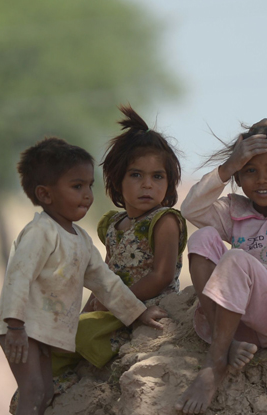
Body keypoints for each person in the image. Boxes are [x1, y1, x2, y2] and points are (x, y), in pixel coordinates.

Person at [0, 137, 167, 415]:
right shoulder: (40, 233)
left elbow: (105, 281)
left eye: (89, 185)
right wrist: (14, 325)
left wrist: (137, 313)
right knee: (32, 390)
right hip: (23, 328)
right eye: (77, 186)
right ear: (45, 194)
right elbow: (17, 277)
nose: (87, 195)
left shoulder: (80, 240)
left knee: (43, 391)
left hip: (42, 329)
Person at [177, 118, 267, 415]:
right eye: (250, 171)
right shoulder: (234, 211)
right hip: (245, 323)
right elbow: (191, 209)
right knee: (203, 238)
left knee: (236, 258)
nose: (262, 180)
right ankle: (227, 340)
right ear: (239, 179)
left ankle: (215, 362)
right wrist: (228, 166)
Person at [52, 105, 187, 375]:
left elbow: (161, 276)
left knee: (85, 336)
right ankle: (55, 391)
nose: (147, 184)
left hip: (147, 308)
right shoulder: (113, 224)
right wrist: (93, 304)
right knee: (56, 336)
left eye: (157, 177)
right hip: (115, 307)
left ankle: (94, 376)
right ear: (117, 181)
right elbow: (106, 274)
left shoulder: (165, 221)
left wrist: (119, 302)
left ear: (169, 183)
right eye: (136, 175)